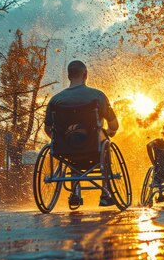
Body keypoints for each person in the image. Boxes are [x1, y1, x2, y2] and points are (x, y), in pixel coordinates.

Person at [44, 60, 119, 207]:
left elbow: (48, 129)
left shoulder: (55, 100)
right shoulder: (97, 96)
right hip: (94, 147)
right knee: (105, 143)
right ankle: (105, 192)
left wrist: (63, 140)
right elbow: (114, 124)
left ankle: (75, 193)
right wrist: (110, 132)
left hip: (65, 149)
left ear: (68, 76)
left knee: (72, 148)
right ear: (85, 75)